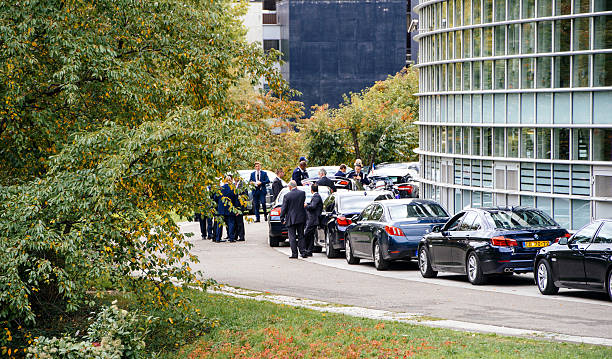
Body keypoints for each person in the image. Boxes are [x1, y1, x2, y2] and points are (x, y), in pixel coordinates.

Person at [280, 180, 307, 258]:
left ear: (290, 186)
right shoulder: (302, 193)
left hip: (291, 218)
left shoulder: (287, 196)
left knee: (292, 237)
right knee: (301, 235)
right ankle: (303, 252)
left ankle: (294, 254)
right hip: (301, 217)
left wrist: (282, 218)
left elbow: (284, 208)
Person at [215, 175, 238, 243]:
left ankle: (218, 238)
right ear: (231, 181)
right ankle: (231, 238)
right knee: (231, 223)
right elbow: (236, 200)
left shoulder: (220, 189)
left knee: (220, 224)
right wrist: (236, 209)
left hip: (221, 208)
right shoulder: (233, 189)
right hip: (230, 208)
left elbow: (215, 198)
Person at [304, 184, 323, 257]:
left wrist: (306, 206)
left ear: (311, 190)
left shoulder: (316, 196)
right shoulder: (316, 196)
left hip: (313, 219)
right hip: (313, 219)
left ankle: (305, 249)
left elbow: (313, 206)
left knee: (306, 234)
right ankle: (309, 250)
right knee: (311, 235)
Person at [234, 177, 247, 242]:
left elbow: (244, 198)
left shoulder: (242, 186)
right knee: (235, 222)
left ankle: (241, 236)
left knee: (240, 222)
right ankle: (235, 236)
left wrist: (241, 209)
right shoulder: (234, 185)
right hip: (234, 207)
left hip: (240, 206)